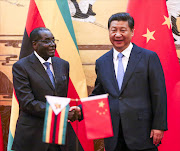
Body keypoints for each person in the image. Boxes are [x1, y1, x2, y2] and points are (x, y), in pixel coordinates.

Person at [70, 12, 167, 151]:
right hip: (114, 133)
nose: (118, 34)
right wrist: (80, 109)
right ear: (109, 31)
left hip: (142, 132)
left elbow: (159, 94)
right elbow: (98, 94)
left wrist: (159, 126)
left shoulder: (148, 57)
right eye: (113, 30)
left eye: (123, 30)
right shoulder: (102, 62)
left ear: (132, 31)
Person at [12, 27, 69, 151]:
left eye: (53, 40)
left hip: (57, 136)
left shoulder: (63, 64)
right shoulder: (21, 67)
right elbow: (27, 103)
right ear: (35, 44)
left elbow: (61, 97)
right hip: (32, 136)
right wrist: (61, 110)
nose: (53, 44)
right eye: (47, 41)